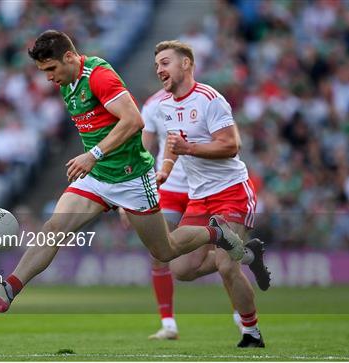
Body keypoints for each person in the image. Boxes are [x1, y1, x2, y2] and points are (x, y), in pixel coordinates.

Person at [0, 30, 249, 319]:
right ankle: (9, 290)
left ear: (69, 57)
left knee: (166, 251)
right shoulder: (67, 83)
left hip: (131, 179)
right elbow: (98, 126)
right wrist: (95, 159)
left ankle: (218, 233)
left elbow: (133, 120)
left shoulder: (99, 76)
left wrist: (93, 155)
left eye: (51, 69)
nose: (49, 78)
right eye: (43, 72)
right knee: (54, 228)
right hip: (98, 178)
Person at [151, 40, 269, 348]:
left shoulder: (210, 99)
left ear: (186, 64)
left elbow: (231, 145)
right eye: (157, 65)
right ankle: (234, 246)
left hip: (232, 192)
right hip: (200, 197)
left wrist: (189, 148)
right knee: (180, 268)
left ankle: (251, 333)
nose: (159, 69)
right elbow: (173, 144)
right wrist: (165, 168)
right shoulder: (165, 105)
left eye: (165, 62)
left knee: (227, 266)